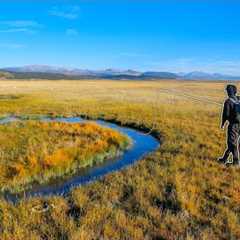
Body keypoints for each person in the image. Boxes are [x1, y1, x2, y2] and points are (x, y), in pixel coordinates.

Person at [219, 84, 240, 166]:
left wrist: (223, 123)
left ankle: (235, 162)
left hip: (234, 125)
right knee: (233, 143)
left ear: (228, 92)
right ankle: (224, 159)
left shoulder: (228, 101)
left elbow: (226, 115)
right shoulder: (239, 98)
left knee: (232, 143)